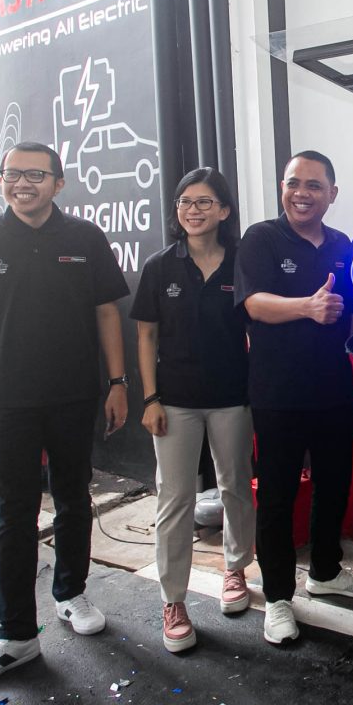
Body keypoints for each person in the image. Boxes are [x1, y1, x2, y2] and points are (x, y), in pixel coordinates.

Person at [0, 141, 129, 697]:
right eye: (13, 173)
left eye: (36, 175)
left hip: (74, 395)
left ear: (58, 183)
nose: (22, 183)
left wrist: (118, 384)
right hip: (9, 401)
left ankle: (71, 593)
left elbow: (106, 313)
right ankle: (16, 635)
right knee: (15, 513)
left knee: (74, 499)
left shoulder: (85, 238)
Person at [235, 150, 353, 646]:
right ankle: (278, 597)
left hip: (334, 389)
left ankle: (325, 571)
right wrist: (307, 307)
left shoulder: (342, 245)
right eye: (293, 183)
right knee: (276, 497)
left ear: (332, 194)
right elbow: (253, 303)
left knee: (334, 485)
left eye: (314, 185)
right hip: (277, 393)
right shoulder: (261, 238)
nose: (301, 193)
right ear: (282, 187)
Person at [131, 167, 254, 654]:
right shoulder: (161, 266)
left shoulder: (242, 261)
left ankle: (236, 570)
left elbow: (256, 326)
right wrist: (150, 398)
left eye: (204, 202)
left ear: (224, 210)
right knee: (175, 498)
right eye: (185, 202)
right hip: (175, 401)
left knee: (235, 487)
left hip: (232, 397)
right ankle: (173, 600)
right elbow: (146, 335)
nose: (193, 210)